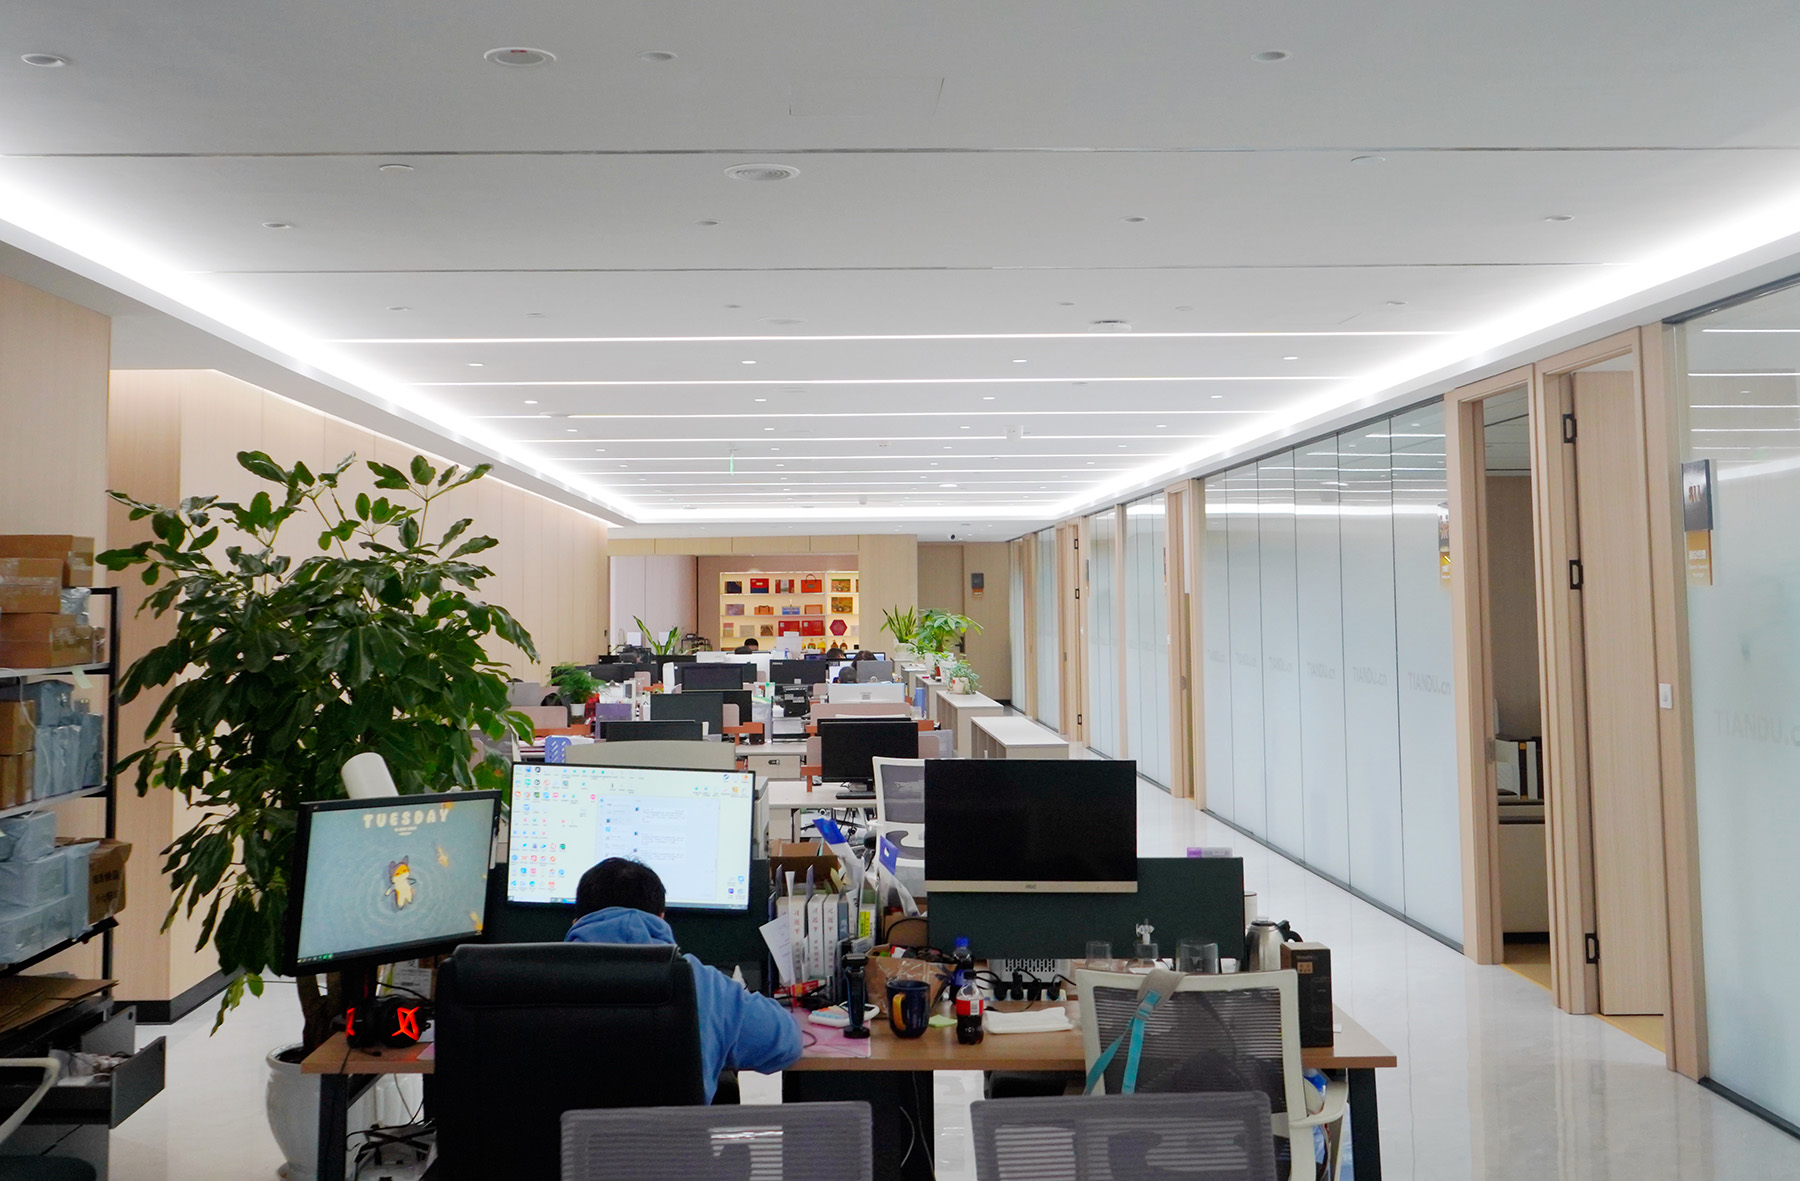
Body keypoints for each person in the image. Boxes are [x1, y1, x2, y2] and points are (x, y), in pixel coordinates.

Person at [565, 858, 801, 1102]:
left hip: (563, 1128)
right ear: (661, 918)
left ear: (577, 922)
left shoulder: (543, 981)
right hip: (672, 1128)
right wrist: (715, 1045)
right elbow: (787, 1043)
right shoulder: (704, 984)